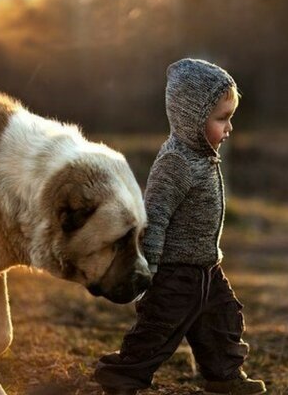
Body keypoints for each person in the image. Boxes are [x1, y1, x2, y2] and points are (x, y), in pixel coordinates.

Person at [94, 58, 267, 395]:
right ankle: (123, 375)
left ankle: (223, 376)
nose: (229, 128)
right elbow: (154, 216)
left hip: (206, 268)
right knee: (158, 329)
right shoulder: (176, 161)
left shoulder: (204, 155)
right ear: (193, 119)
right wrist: (149, 268)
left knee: (224, 322)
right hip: (174, 272)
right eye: (222, 119)